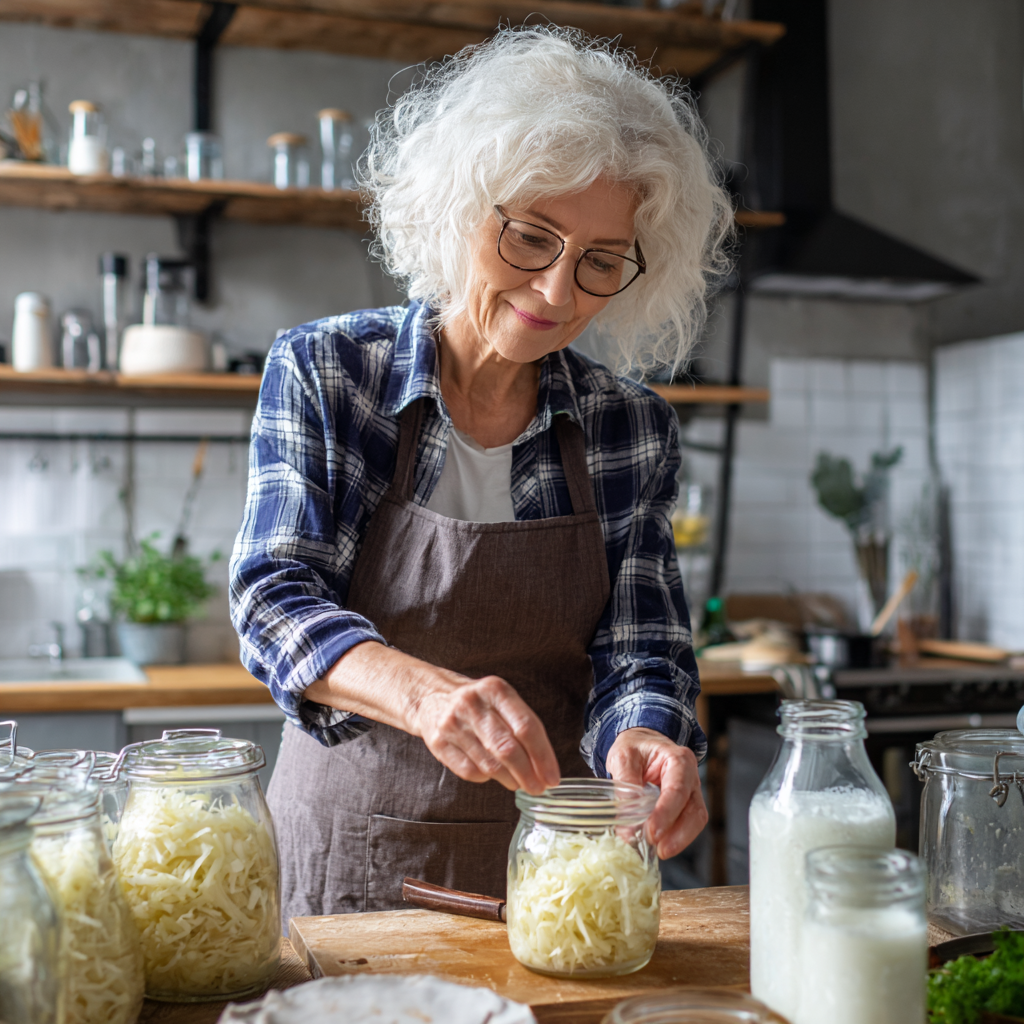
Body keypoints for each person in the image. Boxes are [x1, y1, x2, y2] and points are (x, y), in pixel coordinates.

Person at [230, 25, 732, 924]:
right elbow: (273, 598)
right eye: (532, 238)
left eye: (601, 262)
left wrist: (650, 731)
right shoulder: (329, 373)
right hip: (346, 863)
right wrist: (424, 694)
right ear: (462, 208)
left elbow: (640, 645)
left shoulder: (631, 426)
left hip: (559, 869)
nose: (556, 293)